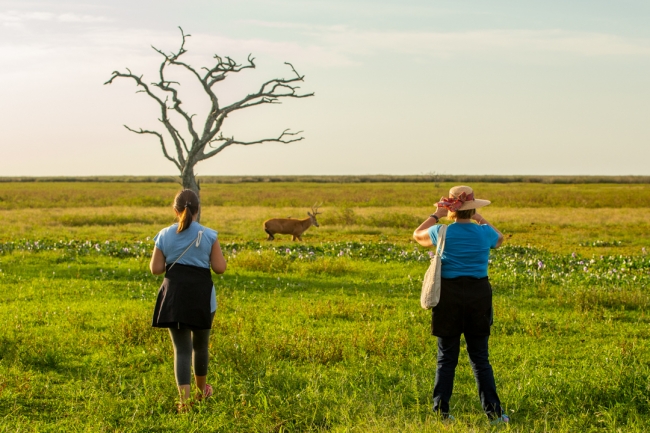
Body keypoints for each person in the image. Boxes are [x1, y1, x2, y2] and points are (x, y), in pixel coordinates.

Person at [412, 185, 509, 425]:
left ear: (451, 208)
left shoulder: (441, 231)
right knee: (480, 359)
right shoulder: (484, 232)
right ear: (472, 207)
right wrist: (478, 217)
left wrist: (436, 213)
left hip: (449, 296)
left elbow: (417, 234)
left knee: (446, 358)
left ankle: (441, 414)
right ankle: (495, 416)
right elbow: (500, 239)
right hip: (478, 295)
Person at [149, 189, 227, 411]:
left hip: (174, 299)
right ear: (197, 210)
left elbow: (156, 269)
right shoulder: (209, 235)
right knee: (200, 346)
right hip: (203, 299)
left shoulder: (164, 235)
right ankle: (202, 393)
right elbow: (220, 268)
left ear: (175, 210)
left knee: (181, 349)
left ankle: (184, 402)